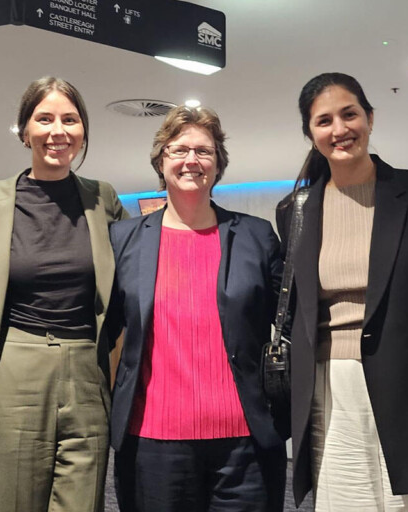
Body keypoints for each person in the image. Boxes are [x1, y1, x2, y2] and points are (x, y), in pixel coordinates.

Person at [276, 73, 408, 511]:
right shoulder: (294, 210)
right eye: (324, 121)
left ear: (370, 118)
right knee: (345, 498)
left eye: (349, 114)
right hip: (331, 382)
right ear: (310, 133)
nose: (339, 129)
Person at [0, 76, 128, 512]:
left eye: (70, 120)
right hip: (11, 367)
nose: (58, 131)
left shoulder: (103, 200)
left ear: (83, 130)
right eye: (45, 118)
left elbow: (127, 285)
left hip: (88, 370)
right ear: (24, 129)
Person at [109, 105, 287, 512]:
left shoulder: (256, 236)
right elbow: (104, 328)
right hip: (152, 442)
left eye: (204, 151)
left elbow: (289, 316)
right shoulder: (123, 239)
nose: (192, 160)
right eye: (179, 150)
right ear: (161, 160)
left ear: (218, 163)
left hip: (244, 442)